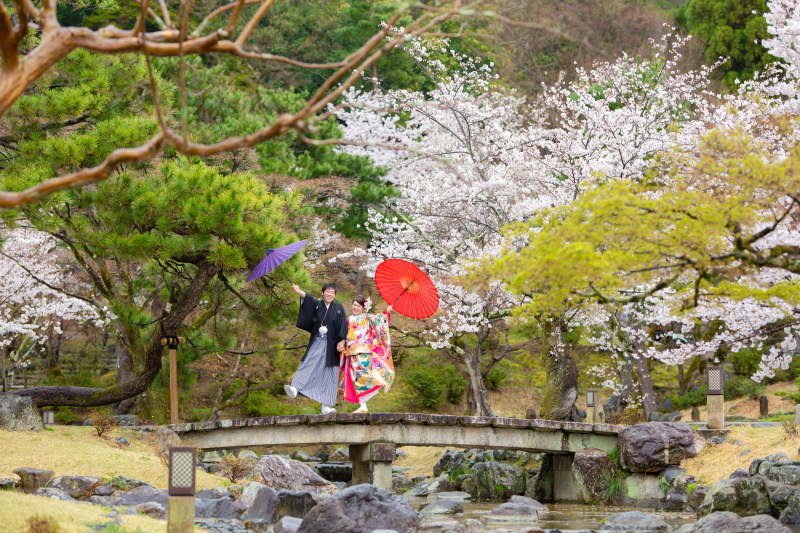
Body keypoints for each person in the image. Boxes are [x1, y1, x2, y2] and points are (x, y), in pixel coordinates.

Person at [286, 282, 347, 414]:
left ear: (335, 295)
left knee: (330, 374)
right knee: (308, 363)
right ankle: (295, 388)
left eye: (332, 292)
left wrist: (342, 340)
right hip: (318, 340)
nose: (330, 294)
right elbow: (308, 300)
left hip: (333, 345)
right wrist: (298, 291)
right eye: (327, 291)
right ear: (322, 292)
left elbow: (343, 324)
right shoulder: (318, 305)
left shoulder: (338, 307)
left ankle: (325, 406)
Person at [339, 295, 395, 413]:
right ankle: (362, 405)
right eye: (354, 304)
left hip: (364, 352)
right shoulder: (349, 319)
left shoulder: (367, 317)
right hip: (351, 352)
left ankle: (365, 403)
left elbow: (380, 319)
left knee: (363, 376)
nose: (355, 307)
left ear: (363, 308)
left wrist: (387, 312)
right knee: (355, 378)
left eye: (358, 306)